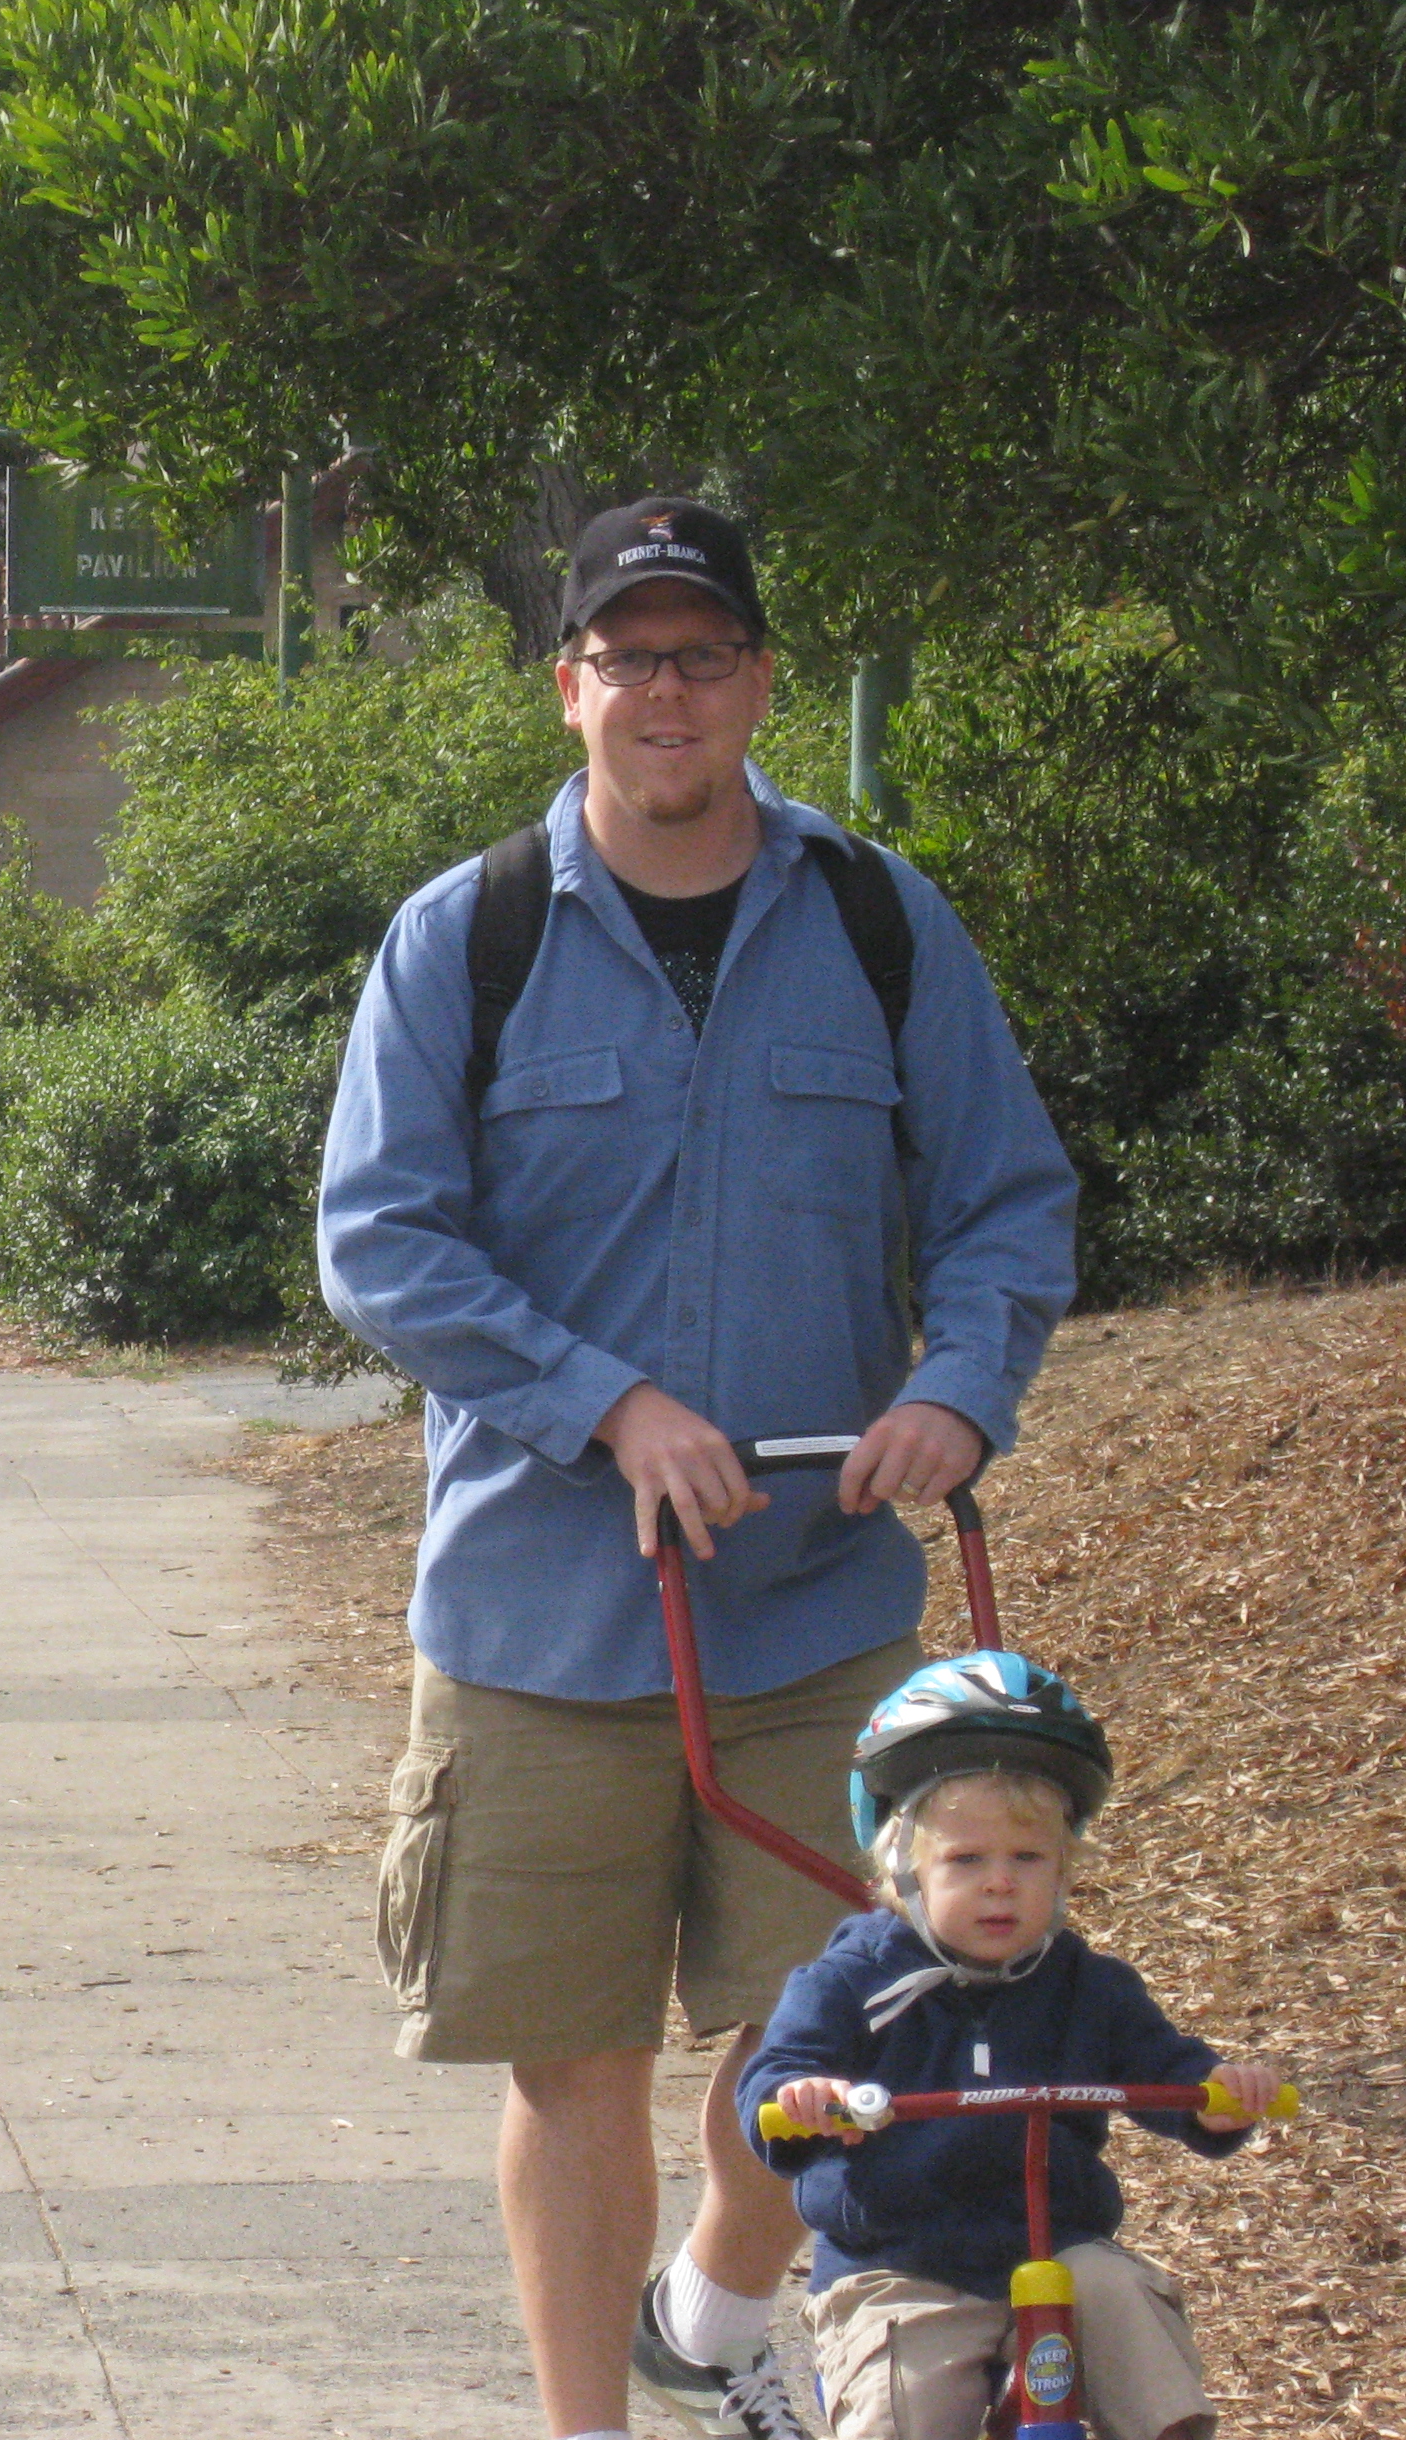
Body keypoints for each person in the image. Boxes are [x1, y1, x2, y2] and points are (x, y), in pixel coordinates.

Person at [315, 497, 1077, 2440]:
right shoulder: (465, 934)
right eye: (627, 657)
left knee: (829, 2048)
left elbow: (1004, 1198)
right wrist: (609, 1406)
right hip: (539, 1616)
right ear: (567, 687)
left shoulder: (881, 923)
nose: (666, 692)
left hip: (815, 1611)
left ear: (756, 682)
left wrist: (957, 1392)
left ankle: (715, 2307)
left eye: (702, 655)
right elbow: (379, 1239)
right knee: (572, 2066)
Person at [741, 1655, 1283, 2440]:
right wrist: (800, 2100)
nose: (1000, 1883)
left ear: (1063, 1869)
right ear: (903, 1868)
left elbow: (1164, 2065)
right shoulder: (851, 1980)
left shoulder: (1088, 1985)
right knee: (907, 2409)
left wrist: (1216, 2095)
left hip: (1060, 2248)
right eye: (966, 1860)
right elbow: (777, 2075)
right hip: (901, 2263)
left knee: (1127, 2298)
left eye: (1027, 1859)